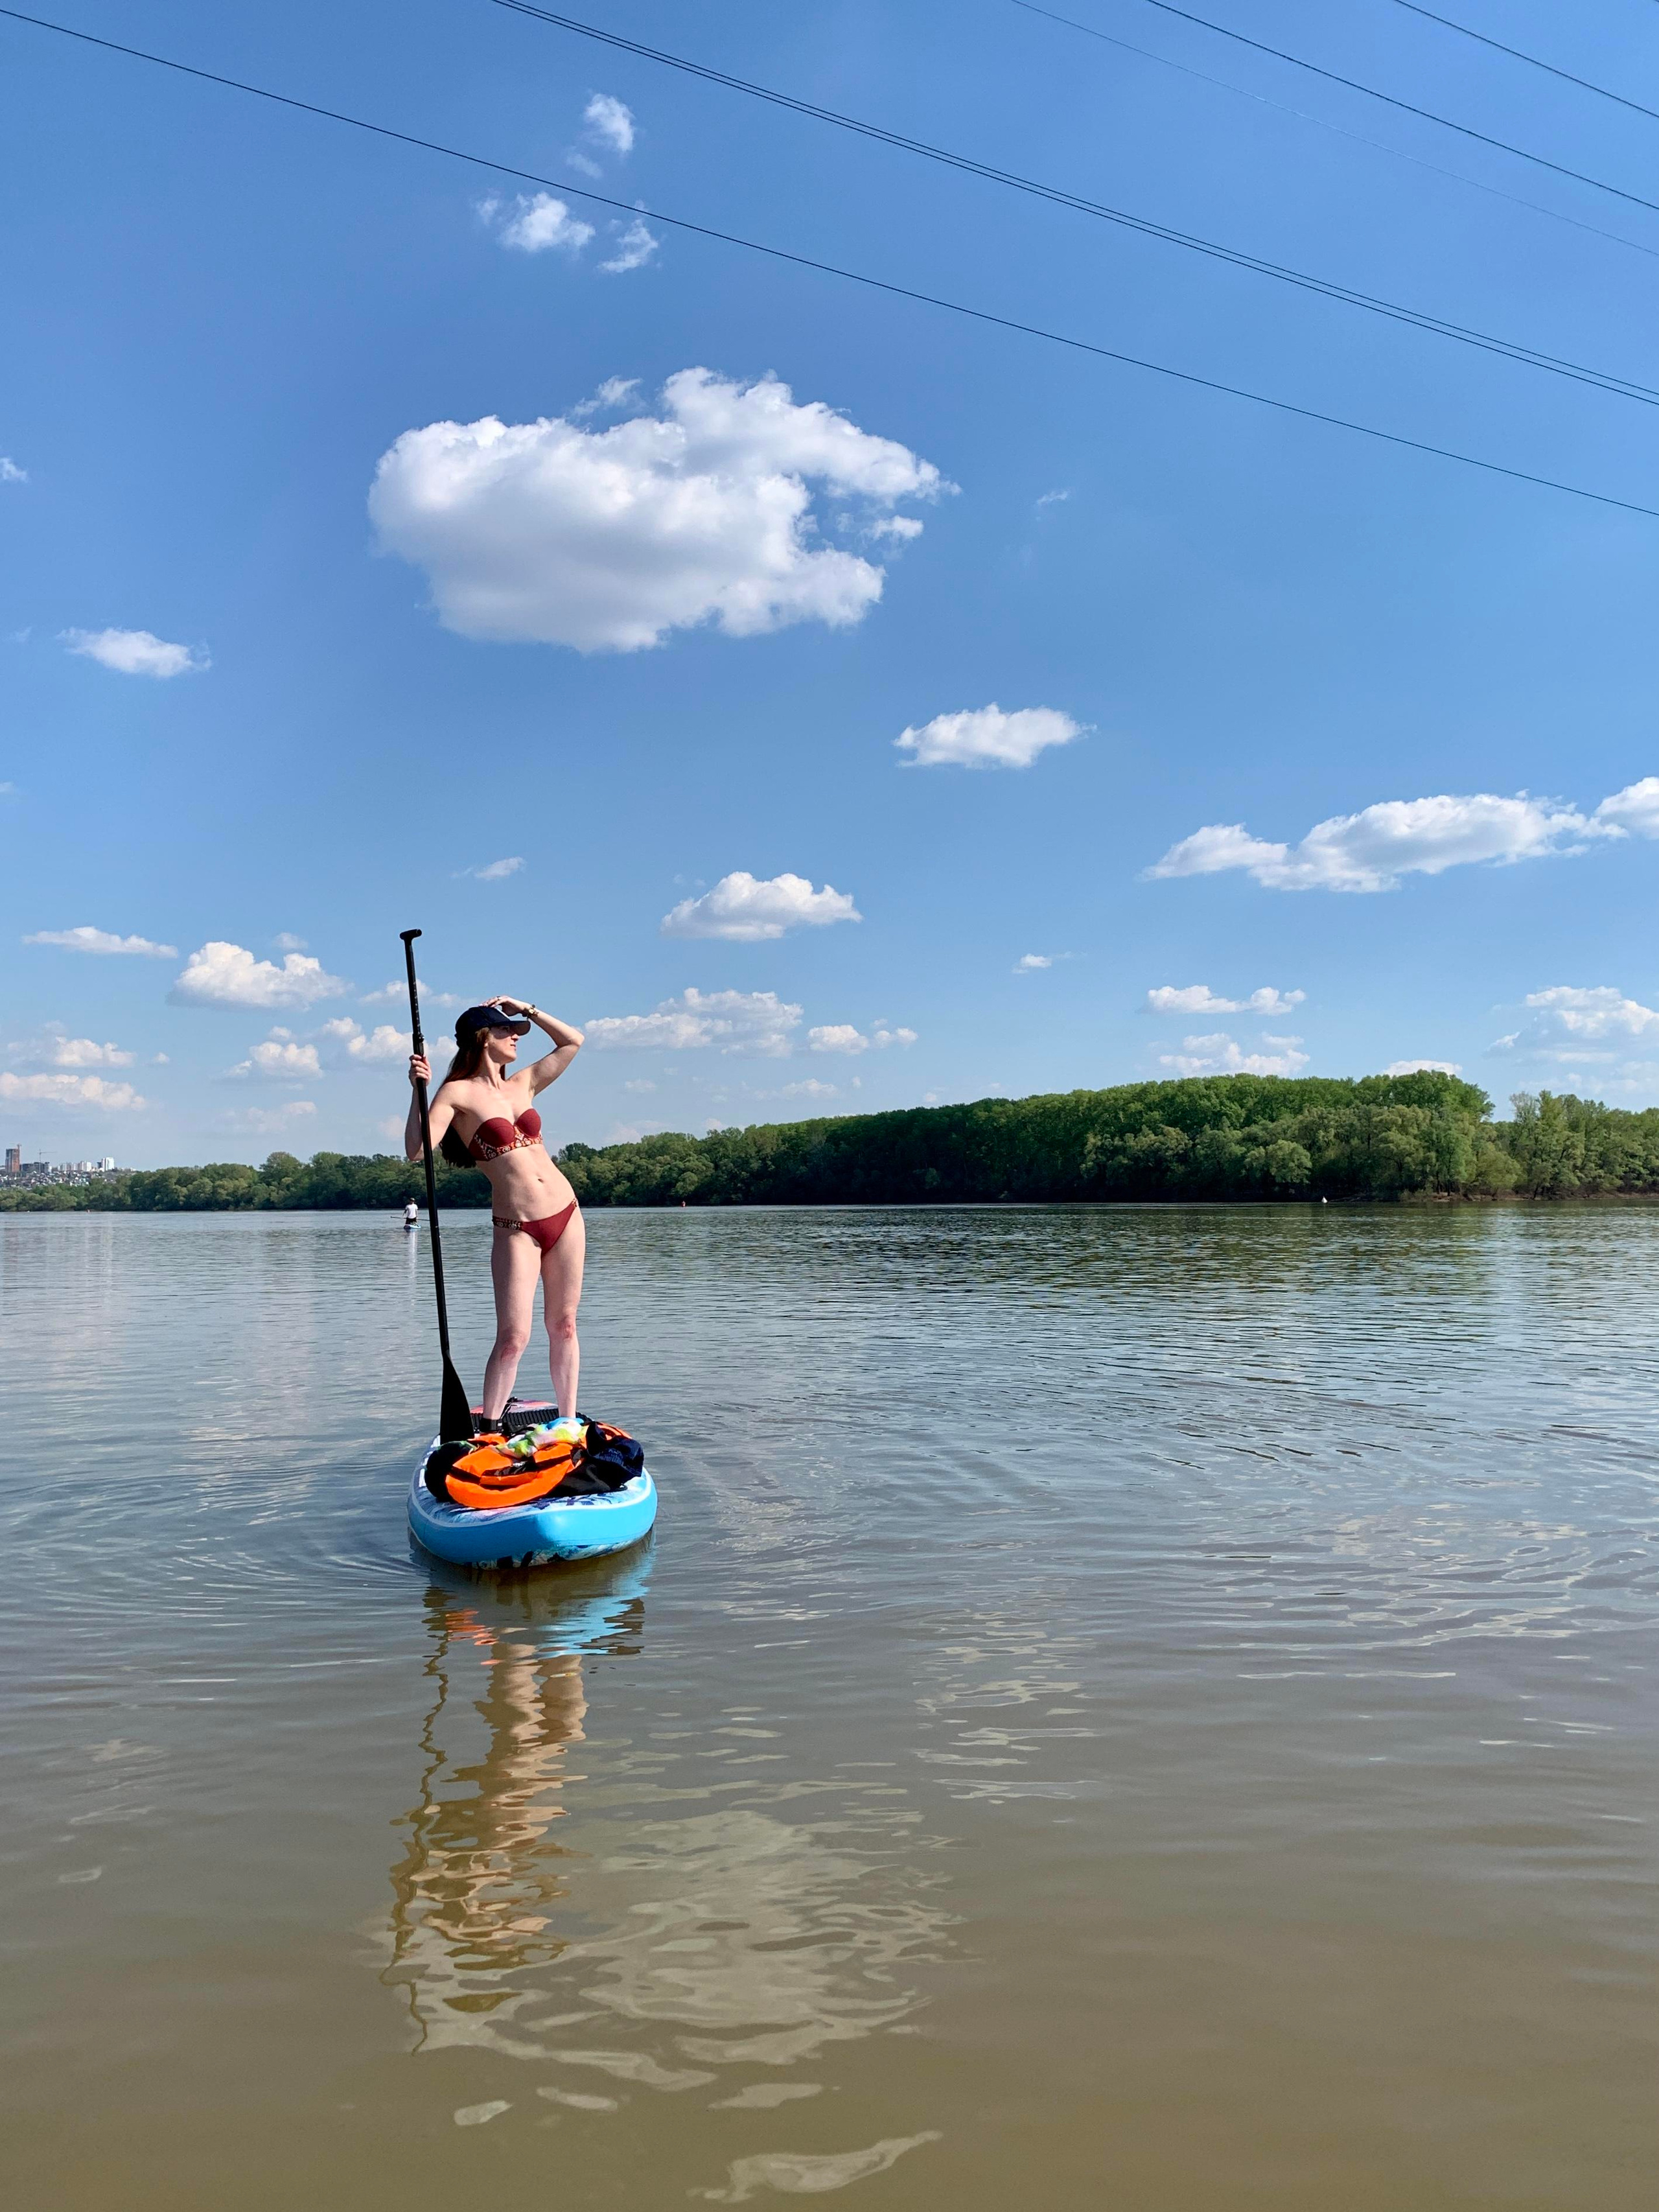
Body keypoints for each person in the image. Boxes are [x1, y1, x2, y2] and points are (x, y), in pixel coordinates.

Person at [406, 997, 586, 1429]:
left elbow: (573, 1042)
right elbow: (417, 1151)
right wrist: (417, 1091)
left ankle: (566, 1422)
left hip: (566, 1214)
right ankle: (488, 1429)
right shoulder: (457, 1093)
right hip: (516, 1227)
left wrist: (529, 1009)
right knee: (513, 1338)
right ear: (483, 1038)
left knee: (563, 1324)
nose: (516, 1038)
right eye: (508, 1031)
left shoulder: (522, 1083)